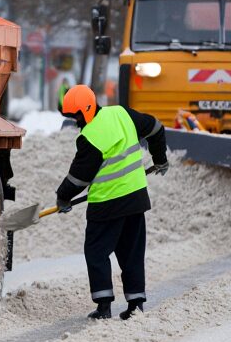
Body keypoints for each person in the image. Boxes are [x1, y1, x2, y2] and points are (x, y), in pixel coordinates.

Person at [56, 84, 168, 320]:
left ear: (86, 109)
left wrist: (63, 196)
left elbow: (79, 176)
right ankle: (135, 305)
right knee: (132, 254)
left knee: (96, 253)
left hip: (107, 204)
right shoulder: (122, 113)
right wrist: (160, 159)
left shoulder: (91, 136)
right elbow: (157, 128)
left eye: (76, 116)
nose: (76, 122)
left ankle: (104, 306)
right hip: (136, 199)